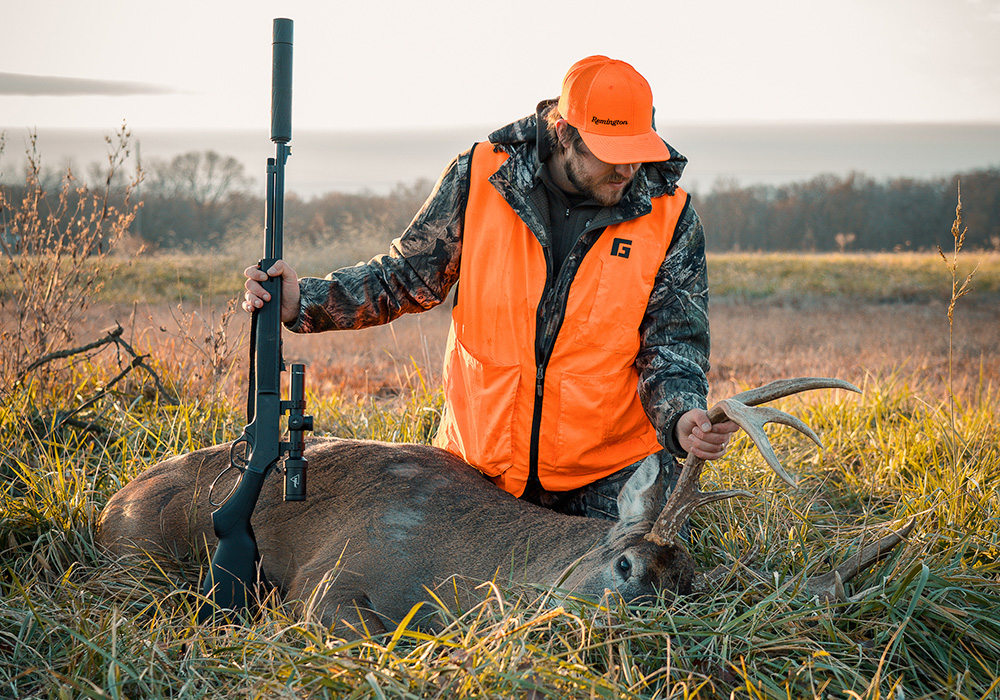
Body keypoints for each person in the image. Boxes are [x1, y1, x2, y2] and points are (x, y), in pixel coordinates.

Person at [243, 56, 739, 520]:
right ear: (563, 133)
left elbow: (673, 348)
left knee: (627, 599)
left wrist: (680, 418)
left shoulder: (670, 216)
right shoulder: (481, 176)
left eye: (638, 153)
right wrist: (302, 301)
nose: (628, 171)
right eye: (612, 156)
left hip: (608, 478)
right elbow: (405, 277)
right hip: (478, 469)